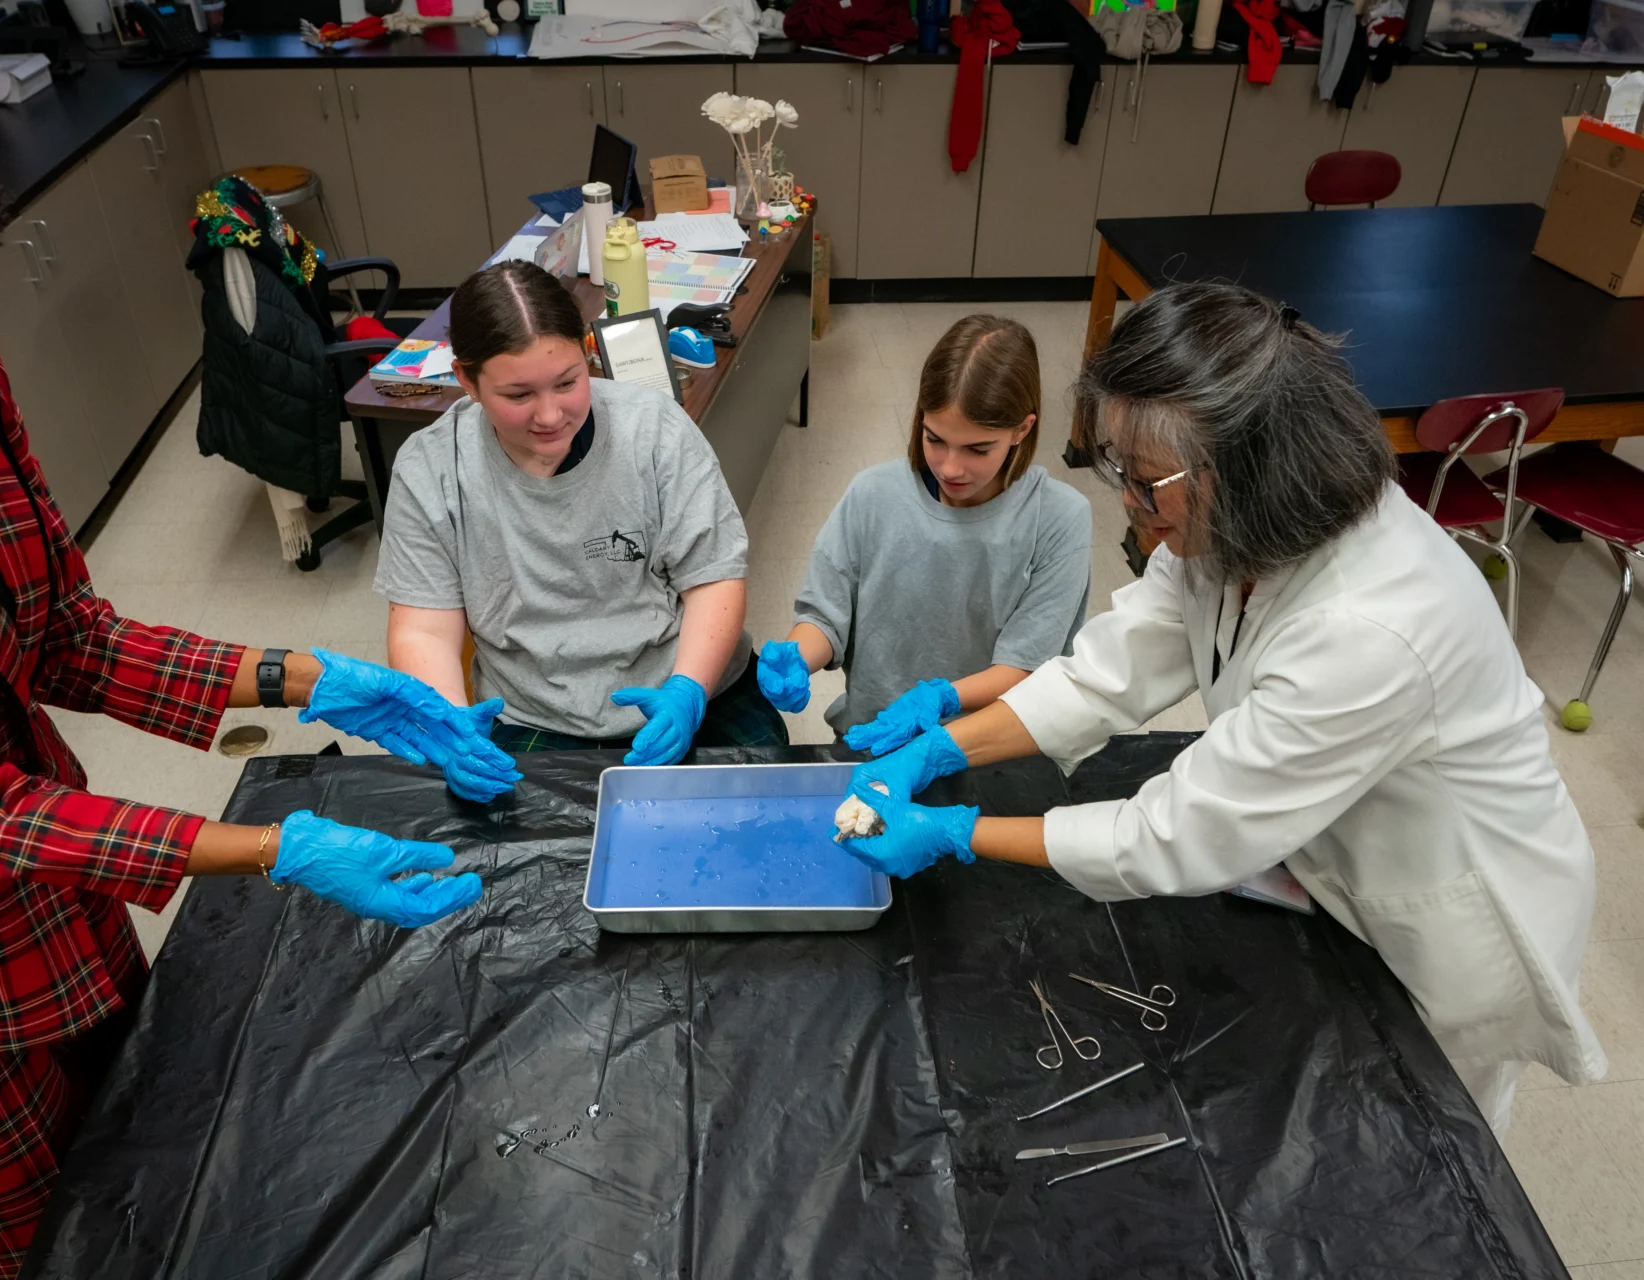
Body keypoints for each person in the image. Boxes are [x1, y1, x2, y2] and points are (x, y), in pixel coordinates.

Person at [0, 4, 511, 1275]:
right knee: (52, 1229)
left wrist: (316, 677)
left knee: (145, 1126)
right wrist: (274, 843)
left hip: (37, 853)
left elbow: (68, 636)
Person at [836, 283, 1604, 1136]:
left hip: (1447, 905)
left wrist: (958, 831)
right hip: (1326, 854)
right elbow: (1106, 672)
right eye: (1115, 466)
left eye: (1142, 477)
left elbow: (1171, 836)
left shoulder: (1373, 626)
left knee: (1425, 1140)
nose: (1124, 499)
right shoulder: (1230, 525)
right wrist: (941, 749)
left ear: (1245, 467)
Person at [375, 261, 788, 764]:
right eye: (518, 395)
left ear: (588, 352)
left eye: (567, 383)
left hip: (692, 686)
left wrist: (687, 691)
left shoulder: (654, 430)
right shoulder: (433, 470)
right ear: (467, 379)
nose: (550, 415)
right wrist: (452, 735)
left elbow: (713, 580)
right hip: (534, 714)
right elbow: (423, 630)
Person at [752, 314, 1091, 750]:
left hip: (980, 748)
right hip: (870, 739)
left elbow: (1026, 665)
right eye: (935, 439)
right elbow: (824, 616)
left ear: (1022, 430)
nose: (950, 467)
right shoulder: (873, 495)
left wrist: (943, 698)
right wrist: (799, 657)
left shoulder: (1059, 520)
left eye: (978, 449)